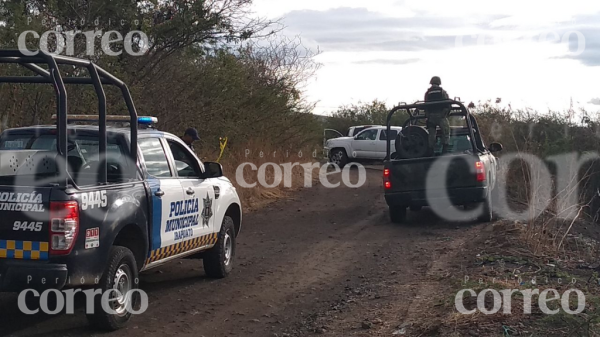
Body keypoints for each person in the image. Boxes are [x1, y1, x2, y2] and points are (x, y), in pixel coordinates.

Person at [424, 76, 451, 154]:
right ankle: (444, 150)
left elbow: (425, 105)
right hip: (441, 116)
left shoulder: (427, 93)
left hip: (431, 117)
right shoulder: (442, 92)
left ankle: (430, 150)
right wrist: (445, 113)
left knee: (431, 134)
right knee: (446, 132)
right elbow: (447, 104)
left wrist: (428, 115)